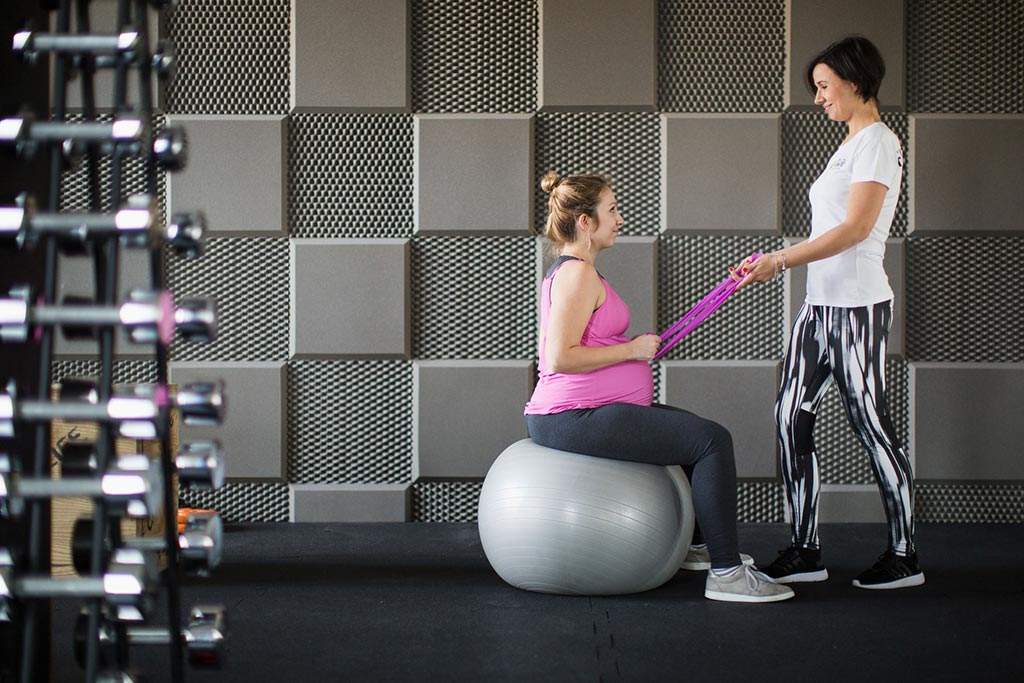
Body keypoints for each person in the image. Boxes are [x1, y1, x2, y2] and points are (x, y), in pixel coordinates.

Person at [524, 169, 793, 603]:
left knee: (693, 429)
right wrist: (631, 351)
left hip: (582, 410)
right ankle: (726, 573)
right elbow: (559, 357)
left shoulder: (578, 272)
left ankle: (702, 547)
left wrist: (632, 349)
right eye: (612, 210)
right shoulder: (577, 275)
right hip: (570, 416)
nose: (620, 219)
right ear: (586, 222)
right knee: (711, 442)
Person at [734, 35, 923, 590]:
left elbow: (857, 228)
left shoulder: (879, 142)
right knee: (790, 416)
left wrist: (780, 259)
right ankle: (805, 547)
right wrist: (777, 263)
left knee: (871, 426)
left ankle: (905, 553)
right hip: (819, 306)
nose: (817, 98)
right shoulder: (849, 144)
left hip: (858, 307)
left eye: (823, 86)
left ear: (855, 80)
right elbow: (830, 226)